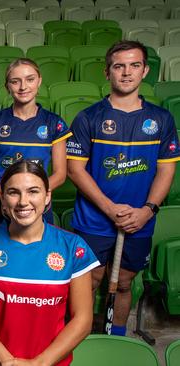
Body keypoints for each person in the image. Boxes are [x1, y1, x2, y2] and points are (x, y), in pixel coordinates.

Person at [67, 40, 180, 336]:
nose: (126, 73)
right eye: (119, 66)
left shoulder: (161, 119)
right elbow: (74, 169)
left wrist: (147, 210)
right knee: (90, 280)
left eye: (134, 66)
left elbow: (166, 170)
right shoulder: (88, 117)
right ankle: (81, 338)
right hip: (94, 219)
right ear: (107, 72)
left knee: (125, 282)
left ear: (145, 71)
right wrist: (109, 208)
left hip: (139, 221)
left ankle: (116, 338)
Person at [0, 160, 98, 366]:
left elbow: (83, 320)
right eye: (13, 192)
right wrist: (7, 361)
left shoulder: (72, 247)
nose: (23, 201)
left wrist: (39, 363)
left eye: (33, 191)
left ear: (47, 197)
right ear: (2, 198)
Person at [0, 58, 71, 228]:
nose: (23, 87)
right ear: (7, 86)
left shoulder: (54, 123)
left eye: (30, 79)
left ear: (39, 81)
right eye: (15, 81)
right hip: (0, 201)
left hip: (37, 203)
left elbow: (60, 173)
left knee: (37, 253)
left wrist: (34, 196)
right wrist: (5, 197)